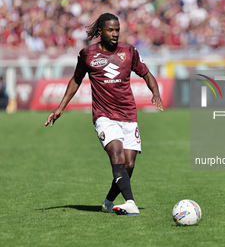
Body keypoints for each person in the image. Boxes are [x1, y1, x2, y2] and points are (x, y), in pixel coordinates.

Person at [44, 13, 163, 215]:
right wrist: (60, 107)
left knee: (129, 165)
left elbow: (147, 74)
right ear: (100, 32)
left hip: (128, 115)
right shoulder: (87, 54)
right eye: (110, 30)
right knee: (116, 155)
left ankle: (108, 202)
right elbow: (76, 79)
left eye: (117, 29)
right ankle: (131, 203)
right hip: (104, 115)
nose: (115, 33)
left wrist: (156, 94)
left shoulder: (129, 51)